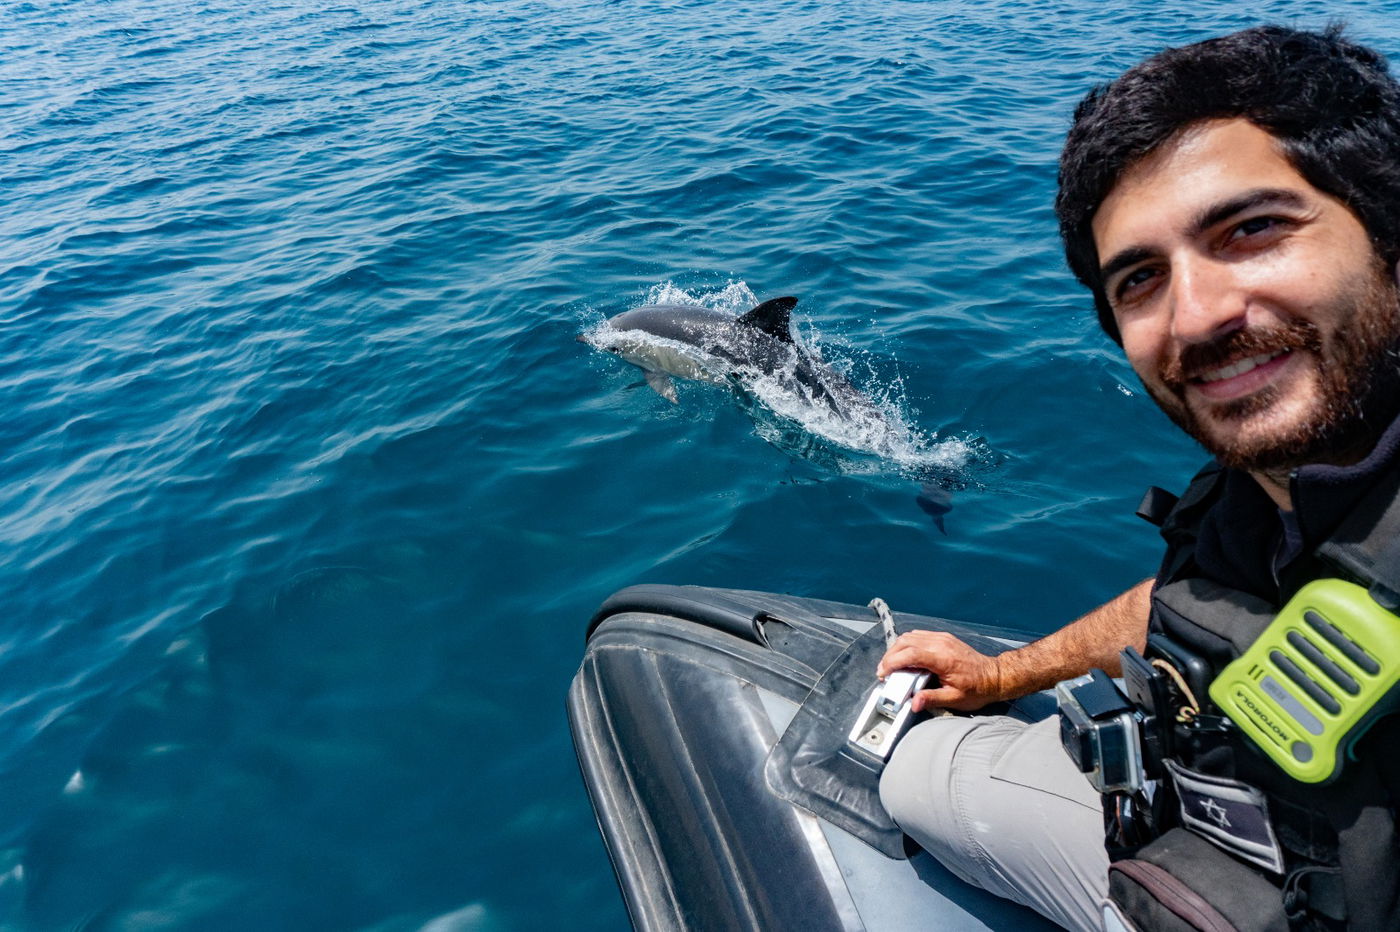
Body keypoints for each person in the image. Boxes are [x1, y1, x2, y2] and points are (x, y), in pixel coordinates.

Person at [877, 25, 1400, 932]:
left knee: (914, 775)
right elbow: (1195, 592)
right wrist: (1004, 673)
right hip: (1215, 829)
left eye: (1253, 228)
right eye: (1140, 280)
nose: (1195, 317)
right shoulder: (1271, 495)